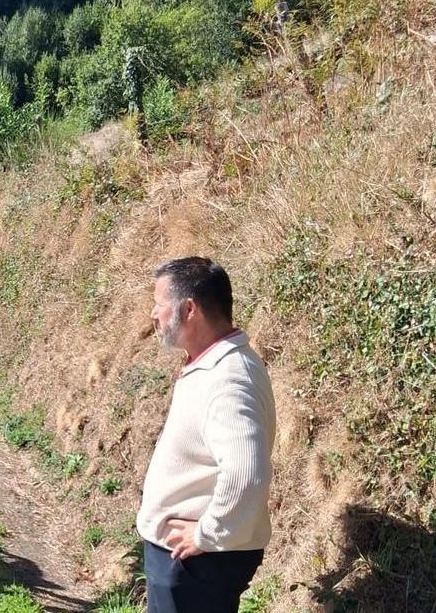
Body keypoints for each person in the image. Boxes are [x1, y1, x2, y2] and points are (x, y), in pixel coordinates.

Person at [137, 257, 275, 613]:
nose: (154, 314)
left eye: (160, 304)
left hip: (196, 564)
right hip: (190, 562)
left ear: (189, 309)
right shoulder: (212, 363)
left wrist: (208, 534)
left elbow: (247, 473)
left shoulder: (229, 380)